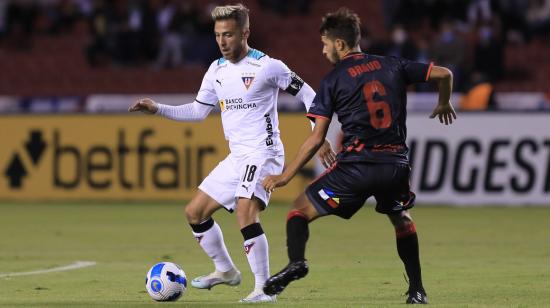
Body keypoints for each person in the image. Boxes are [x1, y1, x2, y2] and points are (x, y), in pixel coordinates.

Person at [128, 3, 335, 303]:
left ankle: (264, 290)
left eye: (228, 35)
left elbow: (308, 94)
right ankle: (225, 271)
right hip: (237, 156)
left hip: (264, 153)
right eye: (217, 35)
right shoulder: (216, 70)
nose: (222, 42)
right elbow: (198, 112)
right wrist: (158, 108)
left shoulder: (267, 66)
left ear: (245, 33)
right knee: (194, 213)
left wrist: (319, 134)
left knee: (245, 211)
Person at [261, 7, 456, 304]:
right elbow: (444, 74)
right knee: (401, 219)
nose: (323, 50)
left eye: (325, 43)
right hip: (395, 166)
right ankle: (417, 290)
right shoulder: (392, 64)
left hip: (356, 169)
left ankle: (297, 263)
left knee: (298, 211)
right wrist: (443, 103)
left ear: (340, 44)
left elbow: (317, 138)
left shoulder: (333, 79)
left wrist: (285, 176)